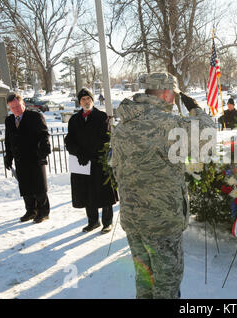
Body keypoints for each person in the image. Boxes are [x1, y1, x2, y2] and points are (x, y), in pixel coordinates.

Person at [111, 72, 216, 299]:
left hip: (134, 219)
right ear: (167, 94)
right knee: (166, 286)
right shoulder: (168, 125)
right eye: (175, 96)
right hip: (162, 222)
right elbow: (207, 136)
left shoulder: (122, 125)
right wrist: (196, 109)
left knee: (144, 281)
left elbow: (116, 168)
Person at [65, 88, 118, 234]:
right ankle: (93, 221)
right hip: (82, 163)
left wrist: (90, 154)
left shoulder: (101, 117)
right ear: (79, 102)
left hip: (98, 161)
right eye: (83, 99)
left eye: (88, 99)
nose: (86, 102)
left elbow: (106, 138)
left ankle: (107, 222)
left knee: (104, 194)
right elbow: (69, 140)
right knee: (87, 193)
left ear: (92, 100)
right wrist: (78, 153)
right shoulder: (75, 120)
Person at [4, 93, 51, 223]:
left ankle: (43, 211)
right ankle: (31, 211)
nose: (16, 109)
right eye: (12, 107)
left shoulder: (35, 116)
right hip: (20, 159)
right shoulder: (9, 120)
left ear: (23, 103)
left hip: (35, 157)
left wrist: (44, 152)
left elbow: (44, 135)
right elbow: (8, 140)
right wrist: (8, 156)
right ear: (9, 107)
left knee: (39, 186)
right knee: (25, 187)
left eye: (18, 106)